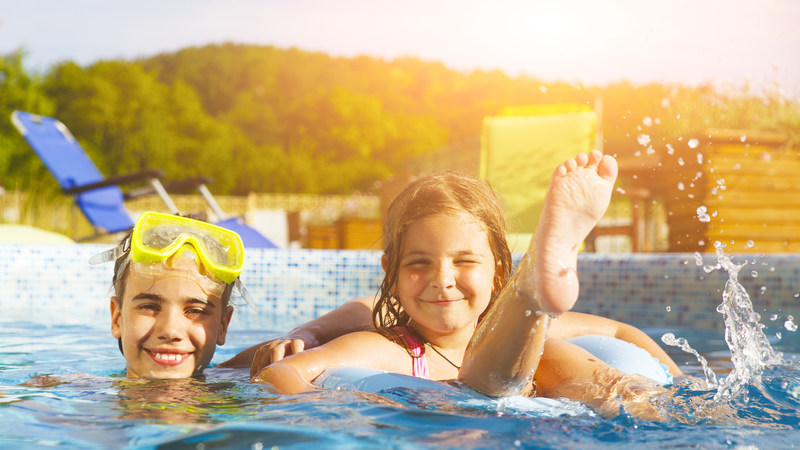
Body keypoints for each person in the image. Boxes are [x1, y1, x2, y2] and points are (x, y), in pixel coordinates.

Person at [250, 150, 678, 417]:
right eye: (419, 263)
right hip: (494, 398)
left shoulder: (536, 337)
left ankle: (534, 293)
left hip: (524, 390)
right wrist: (335, 404)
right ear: (391, 274)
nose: (442, 280)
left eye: (464, 261)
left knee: (551, 353)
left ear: (496, 273)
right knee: (507, 365)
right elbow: (280, 373)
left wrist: (680, 382)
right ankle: (531, 290)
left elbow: (622, 333)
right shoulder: (392, 350)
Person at [89, 211, 248, 379]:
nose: (171, 331)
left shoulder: (244, 386)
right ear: (117, 317)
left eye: (195, 311)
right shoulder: (80, 392)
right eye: (149, 307)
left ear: (222, 326)